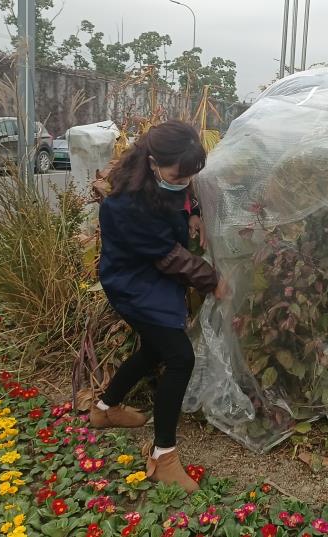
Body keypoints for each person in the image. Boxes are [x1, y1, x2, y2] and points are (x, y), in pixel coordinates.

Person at [89, 120, 225, 492]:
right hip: (133, 285)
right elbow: (168, 257)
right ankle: (163, 456)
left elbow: (185, 189)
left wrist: (193, 210)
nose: (183, 182)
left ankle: (104, 410)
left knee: (153, 349)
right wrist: (213, 281)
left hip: (154, 280)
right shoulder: (126, 204)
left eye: (189, 176)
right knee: (180, 357)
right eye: (177, 176)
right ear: (152, 162)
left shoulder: (167, 177)